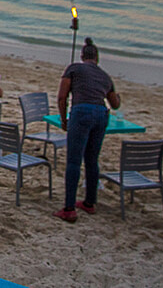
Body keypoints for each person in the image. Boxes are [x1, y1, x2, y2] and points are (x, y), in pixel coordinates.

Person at [52, 41, 121, 223]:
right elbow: (114, 104)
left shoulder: (74, 69)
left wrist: (64, 119)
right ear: (97, 58)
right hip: (101, 114)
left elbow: (62, 96)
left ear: (82, 56)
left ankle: (69, 208)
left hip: (81, 112)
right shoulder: (105, 76)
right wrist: (117, 96)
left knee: (74, 160)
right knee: (92, 159)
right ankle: (89, 202)